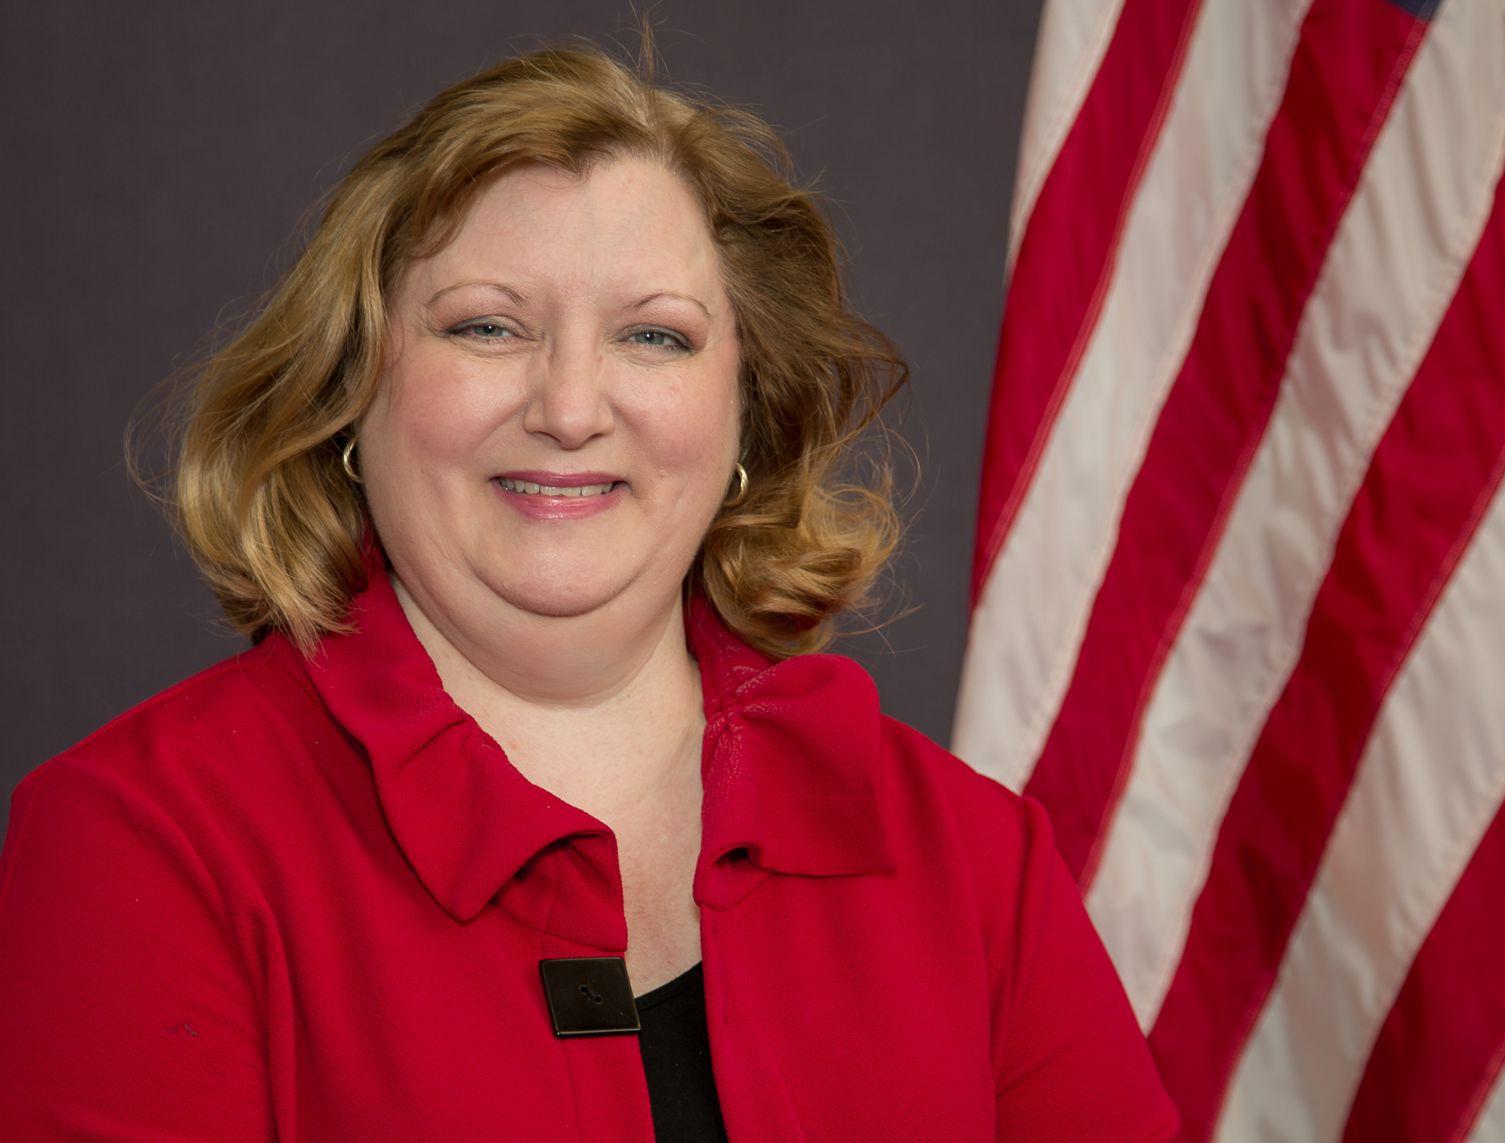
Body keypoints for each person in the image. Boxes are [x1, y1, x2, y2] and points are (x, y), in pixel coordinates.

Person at [0, 36, 1177, 1142]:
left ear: (742, 418)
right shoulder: (145, 849)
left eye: (654, 339)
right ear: (351, 395)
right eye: (486, 327)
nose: (569, 408)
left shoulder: (972, 862)